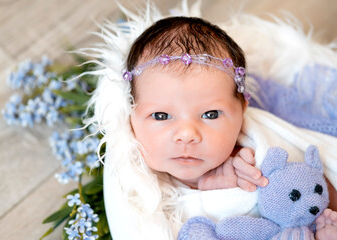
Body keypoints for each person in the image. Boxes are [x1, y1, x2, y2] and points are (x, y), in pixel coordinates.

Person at [123, 16, 337, 239]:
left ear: (242, 110)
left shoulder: (255, 159)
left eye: (211, 114)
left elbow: (318, 179)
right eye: (161, 115)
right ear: (131, 116)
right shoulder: (131, 185)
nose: (187, 134)